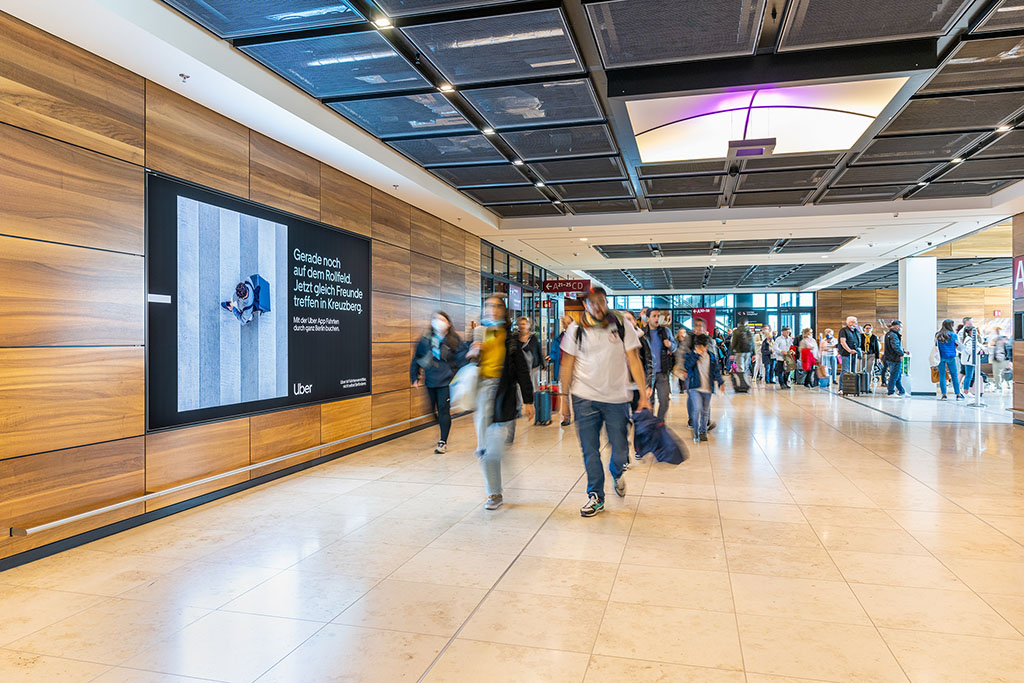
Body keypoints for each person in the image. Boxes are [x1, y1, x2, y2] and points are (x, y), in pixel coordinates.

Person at [559, 287, 650, 517]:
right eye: (592, 303)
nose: (597, 306)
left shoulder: (620, 325)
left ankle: (617, 471)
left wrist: (645, 396)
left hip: (617, 399)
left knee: (620, 448)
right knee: (589, 450)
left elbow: (634, 361)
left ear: (606, 301)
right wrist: (564, 400)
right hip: (584, 398)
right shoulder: (575, 329)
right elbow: (567, 365)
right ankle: (596, 496)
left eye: (601, 301)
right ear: (585, 306)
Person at [467, 295, 534, 510]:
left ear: (504, 311)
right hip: (482, 394)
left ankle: (494, 482)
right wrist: (472, 352)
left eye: (497, 307)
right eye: (489, 306)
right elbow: (464, 361)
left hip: (503, 394)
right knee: (484, 449)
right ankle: (494, 493)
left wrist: (529, 401)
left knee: (493, 450)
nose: (493, 310)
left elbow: (522, 371)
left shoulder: (510, 338)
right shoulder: (479, 333)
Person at [410, 312, 466, 454]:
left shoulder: (454, 340)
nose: (438, 322)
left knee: (443, 410)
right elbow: (417, 358)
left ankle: (443, 441)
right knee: (431, 409)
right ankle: (441, 422)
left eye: (441, 319)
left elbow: (462, 359)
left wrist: (460, 376)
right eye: (435, 319)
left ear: (448, 323)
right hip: (430, 380)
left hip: (447, 381)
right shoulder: (425, 340)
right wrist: (414, 376)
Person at [682, 334, 725, 442]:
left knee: (705, 411)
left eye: (702, 346)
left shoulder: (711, 356)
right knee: (697, 409)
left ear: (706, 346)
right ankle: (696, 432)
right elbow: (687, 365)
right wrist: (696, 355)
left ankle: (703, 432)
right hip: (694, 387)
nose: (699, 348)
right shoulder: (691, 355)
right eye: (697, 346)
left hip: (707, 388)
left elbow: (716, 371)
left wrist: (721, 382)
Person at [645, 310, 676, 418]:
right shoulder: (643, 333)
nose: (657, 318)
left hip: (662, 372)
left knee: (664, 401)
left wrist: (670, 345)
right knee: (650, 402)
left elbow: (674, 346)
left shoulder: (665, 331)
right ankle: (651, 425)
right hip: (648, 374)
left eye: (658, 316)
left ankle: (659, 423)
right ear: (648, 318)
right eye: (654, 316)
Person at [547, 314, 573, 426]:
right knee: (565, 393)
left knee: (577, 394)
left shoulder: (576, 336)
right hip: (563, 367)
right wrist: (550, 357)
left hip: (575, 368)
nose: (565, 324)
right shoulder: (560, 337)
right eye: (564, 323)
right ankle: (566, 417)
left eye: (568, 323)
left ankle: (581, 415)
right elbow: (554, 352)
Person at [933, 318, 963, 400]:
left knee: (942, 376)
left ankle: (944, 395)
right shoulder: (953, 335)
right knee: (954, 375)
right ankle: (958, 394)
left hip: (940, 357)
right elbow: (958, 346)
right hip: (951, 357)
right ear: (950, 326)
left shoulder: (937, 334)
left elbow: (935, 345)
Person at [958, 317, 986, 398]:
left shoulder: (972, 339)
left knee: (969, 375)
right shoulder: (969, 340)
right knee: (968, 376)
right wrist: (979, 349)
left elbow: (978, 345)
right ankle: (966, 391)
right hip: (969, 360)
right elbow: (970, 350)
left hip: (971, 360)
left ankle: (966, 390)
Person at [516, 316, 545, 392]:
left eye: (525, 324)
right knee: (520, 388)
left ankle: (532, 402)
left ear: (529, 325)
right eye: (521, 324)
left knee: (534, 387)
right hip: (520, 368)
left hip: (533, 367)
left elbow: (538, 350)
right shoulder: (515, 338)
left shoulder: (533, 338)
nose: (523, 326)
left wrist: (543, 364)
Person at [883, 319, 906, 397]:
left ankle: (902, 391)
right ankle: (891, 392)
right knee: (894, 375)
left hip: (890, 357)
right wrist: (901, 354)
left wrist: (903, 351)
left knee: (897, 375)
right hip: (894, 358)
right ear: (897, 327)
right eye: (900, 327)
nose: (901, 328)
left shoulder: (889, 334)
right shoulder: (894, 335)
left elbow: (896, 345)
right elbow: (895, 346)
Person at [989, 326, 1011, 392]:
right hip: (996, 359)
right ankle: (998, 387)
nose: (997, 332)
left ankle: (1007, 384)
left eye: (998, 330)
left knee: (1005, 373)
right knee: (996, 374)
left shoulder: (1006, 339)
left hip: (1004, 359)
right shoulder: (995, 339)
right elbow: (991, 346)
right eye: (996, 331)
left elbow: (1009, 348)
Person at [673, 327, 689, 393]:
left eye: (683, 332)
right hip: (679, 361)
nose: (682, 334)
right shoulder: (676, 341)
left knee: (687, 375)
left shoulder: (688, 342)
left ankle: (686, 387)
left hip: (687, 360)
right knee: (680, 376)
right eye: (680, 332)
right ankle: (682, 388)